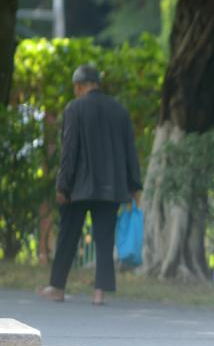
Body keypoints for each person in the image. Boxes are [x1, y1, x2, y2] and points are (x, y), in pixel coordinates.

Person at [37, 64, 142, 306]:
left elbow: (69, 151)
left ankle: (58, 288)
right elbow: (130, 151)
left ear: (79, 86)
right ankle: (99, 293)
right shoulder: (119, 111)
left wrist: (63, 186)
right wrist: (134, 185)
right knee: (105, 240)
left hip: (79, 188)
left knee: (68, 236)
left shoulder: (75, 108)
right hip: (111, 188)